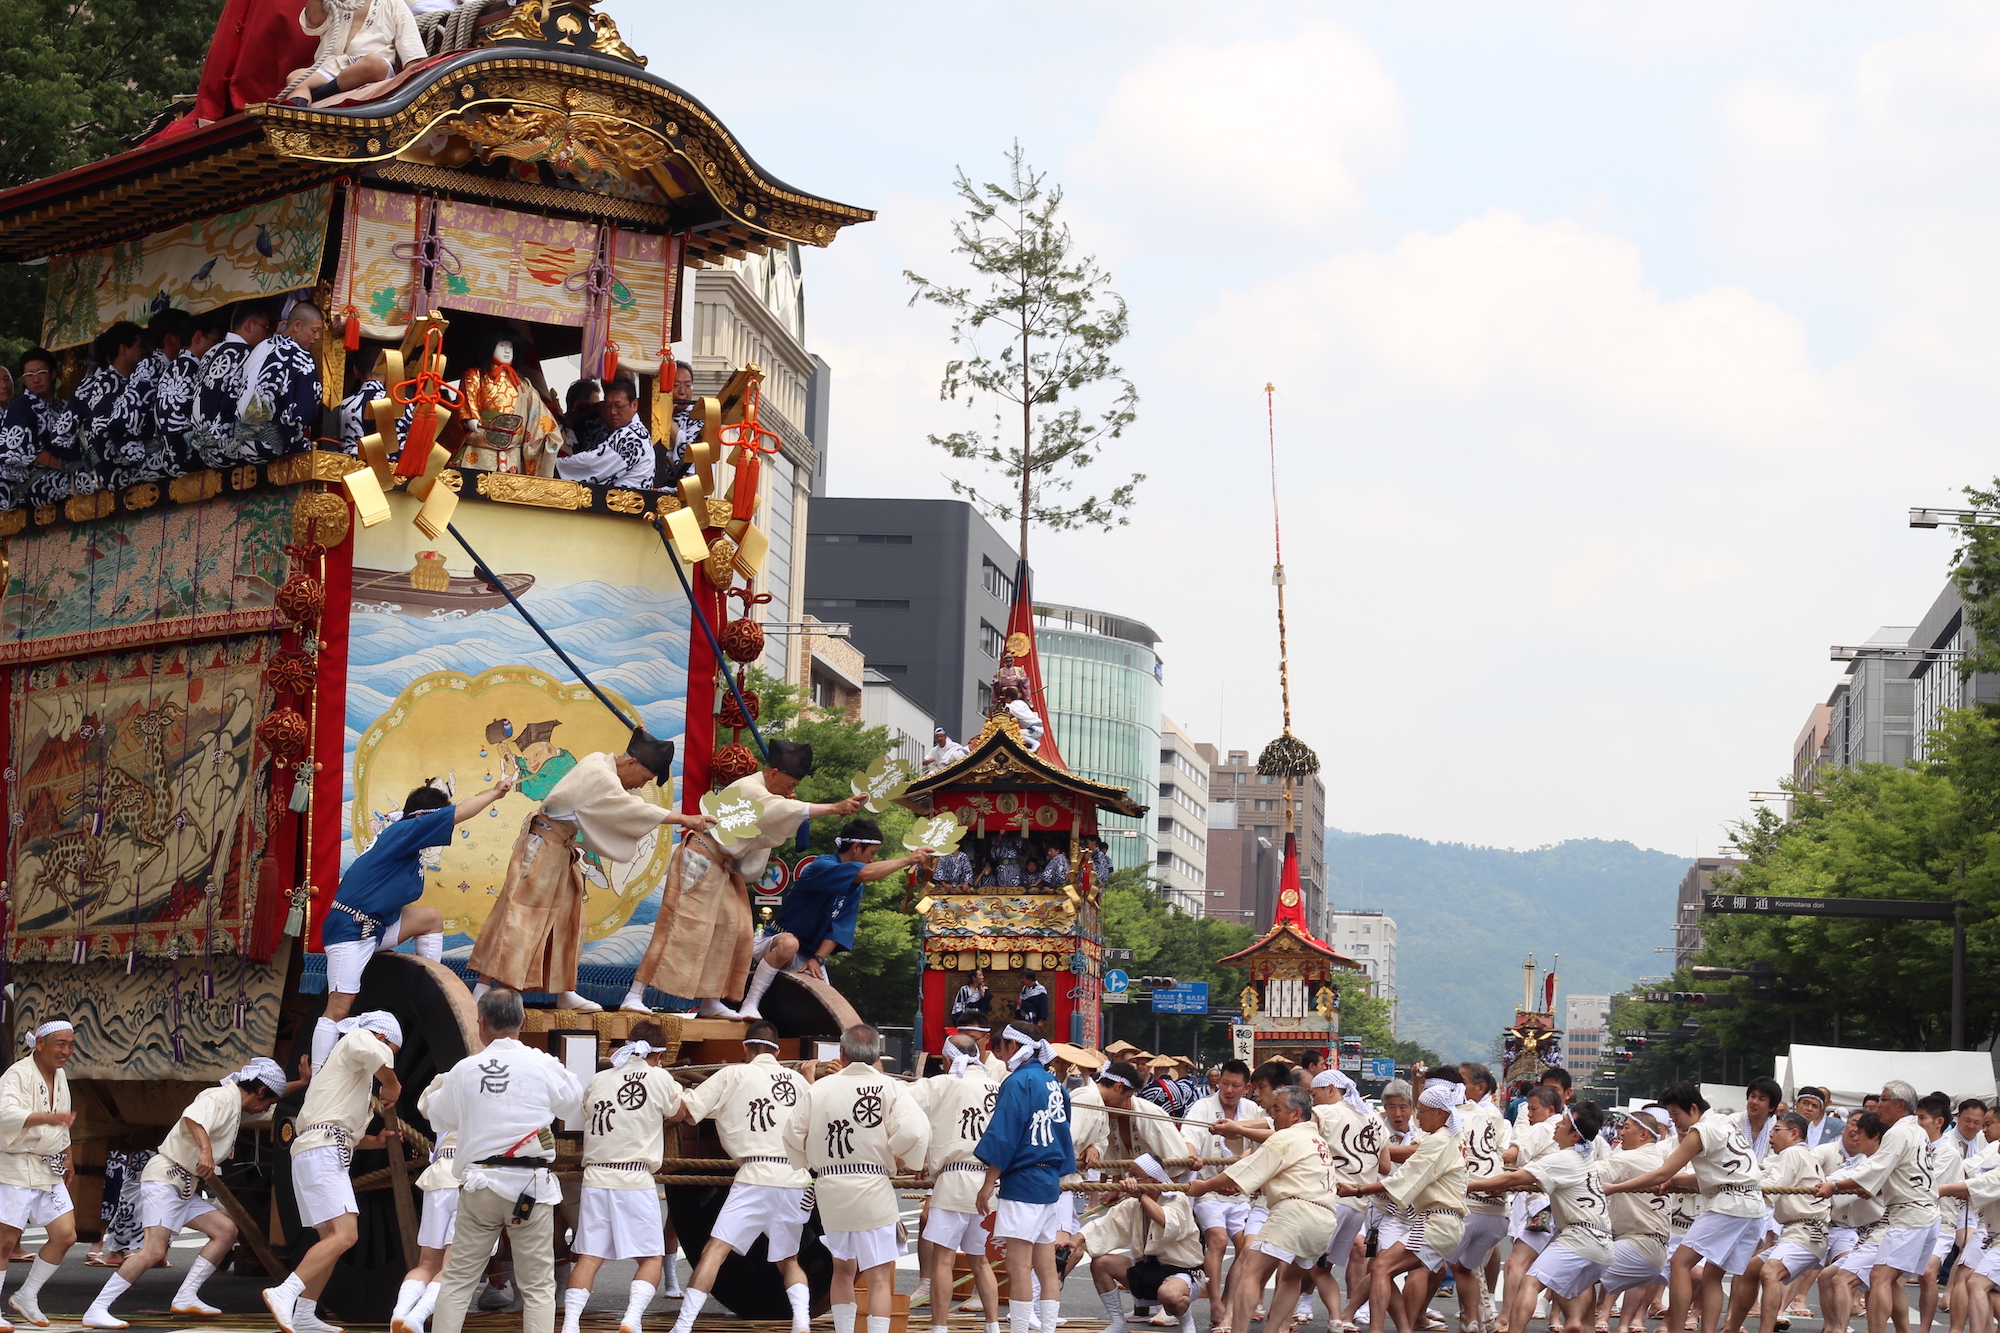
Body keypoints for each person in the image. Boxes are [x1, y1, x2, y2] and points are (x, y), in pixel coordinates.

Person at [473, 726, 708, 1013]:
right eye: (643, 779)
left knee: (568, 919)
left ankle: (564, 991)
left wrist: (639, 737)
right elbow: (633, 809)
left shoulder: (600, 762)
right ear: (632, 762)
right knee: (520, 914)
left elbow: (620, 804)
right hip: (543, 845)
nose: (637, 786)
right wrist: (685, 818)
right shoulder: (602, 775)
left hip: (559, 848)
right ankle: (484, 990)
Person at [622, 739, 862, 1018]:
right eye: (787, 785)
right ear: (773, 773)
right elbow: (779, 810)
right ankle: (634, 994)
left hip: (721, 866)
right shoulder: (750, 789)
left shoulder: (767, 797)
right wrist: (833, 807)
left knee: (731, 930)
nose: (790, 791)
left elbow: (775, 817)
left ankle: (711, 1000)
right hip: (700, 858)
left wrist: (786, 804)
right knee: (678, 924)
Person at [318, 778, 515, 1069]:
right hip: (349, 930)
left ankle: (429, 987)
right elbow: (459, 812)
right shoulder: (406, 830)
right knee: (338, 1008)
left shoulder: (405, 840)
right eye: (438, 820)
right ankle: (317, 1078)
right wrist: (495, 794)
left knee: (431, 918)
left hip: (376, 930)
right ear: (424, 818)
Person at [81, 1059, 289, 1328]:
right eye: (269, 1101)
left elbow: (269, 1097)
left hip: (183, 1184)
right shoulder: (220, 1095)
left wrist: (303, 1084)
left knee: (226, 1230)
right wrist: (205, 1151)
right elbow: (193, 1117)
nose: (267, 1108)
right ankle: (96, 1308)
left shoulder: (236, 1104)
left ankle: (186, 1296)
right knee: (153, 1252)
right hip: (165, 1179)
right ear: (261, 1091)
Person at [426, 988, 585, 1333]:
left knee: (457, 1283)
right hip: (529, 1186)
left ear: (481, 1024)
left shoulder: (464, 1070)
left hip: (481, 1183)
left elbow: (440, 1117)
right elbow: (571, 1102)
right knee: (539, 1287)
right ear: (523, 1022)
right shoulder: (542, 1063)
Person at [668, 1021, 815, 1333]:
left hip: (757, 1174)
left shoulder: (733, 1074)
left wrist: (662, 1082)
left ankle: (683, 1326)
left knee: (714, 1251)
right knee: (788, 1259)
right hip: (796, 1178)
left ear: (745, 1048)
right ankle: (801, 1322)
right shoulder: (798, 1082)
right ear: (778, 1050)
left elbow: (685, 1109)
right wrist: (810, 1081)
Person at [264, 1011, 404, 1333]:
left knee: (331, 1239)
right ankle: (284, 1292)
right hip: (324, 1150)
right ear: (382, 1039)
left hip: (318, 1148)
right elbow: (370, 1050)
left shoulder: (343, 1072)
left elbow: (346, 1131)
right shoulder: (358, 1039)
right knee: (346, 1234)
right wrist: (392, 1083)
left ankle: (304, 1314)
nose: (388, 1063)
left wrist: (376, 1142)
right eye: (391, 1054)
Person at [786, 1024, 928, 1333]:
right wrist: (900, 1157)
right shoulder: (889, 1087)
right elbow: (916, 1131)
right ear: (878, 1054)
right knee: (877, 1276)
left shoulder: (820, 1088)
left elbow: (792, 1133)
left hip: (831, 1187)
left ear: (841, 1052)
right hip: (872, 1186)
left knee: (842, 1269)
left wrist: (809, 1162)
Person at [735, 817, 933, 1021]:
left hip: (809, 954)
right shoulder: (821, 866)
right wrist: (907, 860)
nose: (873, 859)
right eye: (872, 853)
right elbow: (864, 873)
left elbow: (840, 927)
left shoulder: (857, 885)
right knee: (789, 944)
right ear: (856, 847)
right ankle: (750, 1003)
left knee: (826, 1014)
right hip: (777, 940)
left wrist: (818, 959)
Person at [1605, 1082, 1764, 1333]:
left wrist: (1615, 1187)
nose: (1674, 1122)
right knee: (1712, 1276)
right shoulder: (1726, 1124)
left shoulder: (1700, 1130)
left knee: (1680, 1263)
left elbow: (1662, 1172)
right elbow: (1712, 1175)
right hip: (1753, 1206)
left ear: (1692, 1108)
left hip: (1729, 1205)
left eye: (1675, 1115)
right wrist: (1674, 1180)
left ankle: (1676, 1329)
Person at [560, 1022, 685, 1333]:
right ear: (659, 1055)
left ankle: (571, 1323)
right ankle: (631, 1319)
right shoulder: (660, 1077)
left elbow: (587, 1111)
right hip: (634, 1179)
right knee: (651, 1259)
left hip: (595, 1177)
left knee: (588, 1257)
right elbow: (680, 1113)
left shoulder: (600, 1078)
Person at [1190, 1085, 1340, 1333]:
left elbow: (1247, 1167)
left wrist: (1205, 1185)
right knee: (1291, 1277)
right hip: (1324, 1219)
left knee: (1251, 1270)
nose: (1272, 1116)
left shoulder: (1286, 1137)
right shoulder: (1318, 1140)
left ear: (1295, 1114)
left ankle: (1238, 1330)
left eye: (1277, 1109)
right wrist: (1238, 1186)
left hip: (1295, 1213)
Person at [1468, 1102, 1612, 1333]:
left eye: (1562, 1123)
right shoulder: (1586, 1157)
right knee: (1571, 1290)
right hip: (1603, 1244)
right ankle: (1577, 1323)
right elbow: (1527, 1181)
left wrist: (1469, 1186)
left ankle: (1513, 1329)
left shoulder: (1563, 1158)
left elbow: (1511, 1179)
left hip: (1579, 1237)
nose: (1556, 1126)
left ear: (1575, 1136)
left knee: (1530, 1282)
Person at [1813, 1081, 1941, 1333]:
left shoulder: (1897, 1132)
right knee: (1890, 1281)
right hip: (1926, 1214)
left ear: (1900, 1105)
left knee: (1879, 1278)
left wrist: (1835, 1187)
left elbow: (1874, 1169)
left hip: (1909, 1215)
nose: (1878, 1105)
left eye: (1884, 1100)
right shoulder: (1918, 1131)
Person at [975, 1022, 1076, 1333]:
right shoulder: (1054, 1084)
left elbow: (1005, 1134)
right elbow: (1063, 1133)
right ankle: (1047, 1330)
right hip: (1049, 1183)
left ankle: (1019, 1329)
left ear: (1013, 1046)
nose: (999, 1051)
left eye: (1001, 1045)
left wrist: (989, 1181)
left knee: (1018, 1266)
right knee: (1046, 1268)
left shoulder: (1018, 1082)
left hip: (1022, 1182)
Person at [910, 1034, 1004, 1333]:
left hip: (954, 1180)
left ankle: (939, 1327)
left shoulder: (941, 1083)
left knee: (943, 1259)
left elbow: (900, 1101)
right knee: (980, 1260)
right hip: (990, 1181)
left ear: (948, 1059)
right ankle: (992, 1325)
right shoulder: (998, 1086)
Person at [0, 1020, 80, 1330]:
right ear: (40, 1044)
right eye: (60, 1043)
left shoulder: (60, 1076)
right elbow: (5, 1114)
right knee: (5, 1240)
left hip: (48, 1164)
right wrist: (46, 1117)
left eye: (71, 1044)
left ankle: (27, 1295)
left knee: (65, 1234)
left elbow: (64, 1121)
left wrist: (68, 1156)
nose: (66, 1051)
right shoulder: (17, 1074)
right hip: (15, 1163)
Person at [1719, 1111, 1828, 1333]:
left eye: (1776, 1131)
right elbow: (1767, 1176)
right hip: (1800, 1231)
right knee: (1750, 1270)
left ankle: (1765, 1330)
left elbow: (1770, 1188)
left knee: (1770, 1272)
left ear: (1794, 1133)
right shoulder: (1804, 1155)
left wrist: (1731, 1190)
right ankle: (1732, 1327)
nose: (1771, 1137)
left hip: (1807, 1231)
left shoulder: (1793, 1154)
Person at [1087, 1156, 1207, 1333]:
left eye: (1136, 1176)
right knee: (1100, 1263)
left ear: (1155, 1181)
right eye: (1130, 1174)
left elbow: (1165, 1222)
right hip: (1148, 1268)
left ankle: (1186, 1322)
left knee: (1170, 1295)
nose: (1130, 1179)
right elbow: (1103, 1226)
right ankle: (1118, 1324)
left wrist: (1142, 1195)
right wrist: (1075, 1241)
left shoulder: (1177, 1198)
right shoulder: (1133, 1203)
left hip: (1183, 1272)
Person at [1596, 1107, 1675, 1327]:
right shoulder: (1661, 1157)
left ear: (1643, 1135)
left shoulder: (1631, 1158)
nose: (1620, 1132)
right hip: (1650, 1246)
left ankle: (1581, 1325)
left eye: (1626, 1127)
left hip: (1639, 1244)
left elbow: (1588, 1173)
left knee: (1579, 1266)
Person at [1450, 1063, 1512, 1333]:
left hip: (1475, 1199)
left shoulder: (1476, 1113)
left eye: (1461, 1080)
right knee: (1467, 1266)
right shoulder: (1480, 1112)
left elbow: (1500, 1154)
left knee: (1461, 1265)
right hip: (1491, 1203)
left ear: (1480, 1088)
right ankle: (1474, 1319)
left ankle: (1481, 1317)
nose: (1456, 1085)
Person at [457, 334, 561, 474]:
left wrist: (549, 434)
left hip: (513, 453)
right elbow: (467, 399)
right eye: (502, 346)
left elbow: (538, 412)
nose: (507, 351)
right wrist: (471, 418)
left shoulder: (523, 384)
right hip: (480, 448)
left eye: (510, 347)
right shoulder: (475, 375)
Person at [286, 0, 425, 104]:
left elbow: (413, 55)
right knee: (296, 77)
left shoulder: (395, 4)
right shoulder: (337, 2)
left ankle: (319, 94)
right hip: (333, 66)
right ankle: (293, 126)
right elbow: (313, 21)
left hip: (370, 67)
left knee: (374, 62)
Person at [237, 299, 325, 460]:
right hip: (270, 446)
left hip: (240, 445)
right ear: (297, 325)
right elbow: (302, 412)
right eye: (314, 330)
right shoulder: (301, 356)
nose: (317, 337)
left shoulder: (261, 347)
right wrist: (295, 442)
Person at [75, 322, 156, 493]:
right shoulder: (107, 383)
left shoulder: (123, 382)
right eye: (140, 346)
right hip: (118, 473)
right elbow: (105, 443)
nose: (144, 352)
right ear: (123, 350)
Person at [0, 349, 84, 510]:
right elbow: (26, 448)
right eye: (29, 375)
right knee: (88, 482)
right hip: (37, 479)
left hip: (72, 470)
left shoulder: (64, 406)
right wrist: (65, 466)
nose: (36, 379)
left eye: (41, 372)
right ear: (24, 380)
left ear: (53, 374)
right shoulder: (21, 405)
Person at [190, 302, 272, 467]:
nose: (267, 334)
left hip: (203, 452)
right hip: (228, 450)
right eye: (266, 327)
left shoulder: (210, 352)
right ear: (249, 325)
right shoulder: (248, 354)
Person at [554, 379, 654, 488]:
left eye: (618, 406)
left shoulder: (634, 436)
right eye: (607, 406)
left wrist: (551, 464)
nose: (612, 412)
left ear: (634, 405)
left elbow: (592, 464)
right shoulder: (628, 431)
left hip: (626, 501)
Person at [653, 359, 698, 488]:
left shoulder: (699, 417)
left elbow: (689, 451)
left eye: (687, 385)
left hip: (684, 487)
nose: (682, 391)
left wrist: (667, 418)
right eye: (676, 385)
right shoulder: (650, 413)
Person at [561, 380, 606, 456]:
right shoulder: (556, 430)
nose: (596, 411)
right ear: (579, 405)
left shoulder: (593, 430)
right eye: (594, 406)